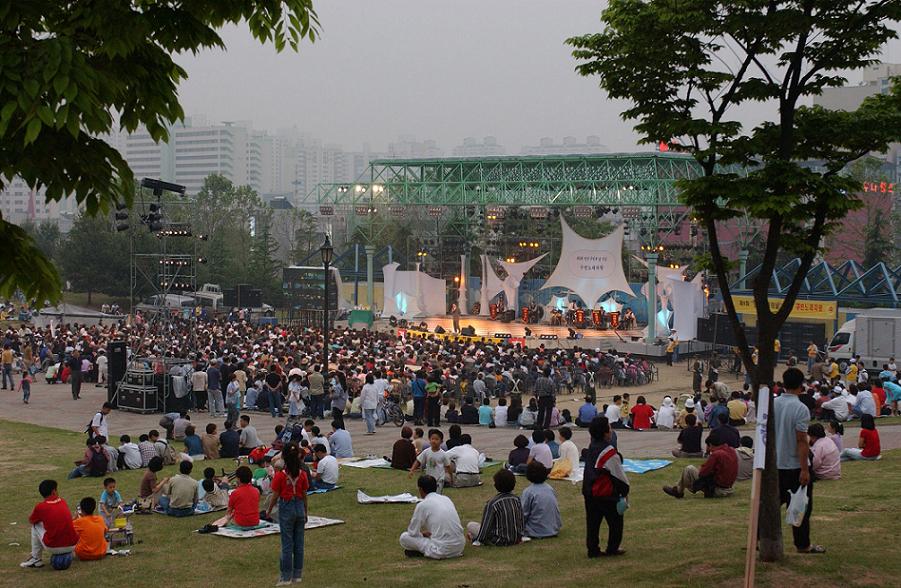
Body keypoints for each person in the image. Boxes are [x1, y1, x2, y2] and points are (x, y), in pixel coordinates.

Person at [774, 367, 825, 553]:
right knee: (801, 507)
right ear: (801, 385)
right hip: (795, 466)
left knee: (771, 505)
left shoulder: (773, 404)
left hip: (776, 465)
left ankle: (759, 537)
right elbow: (801, 440)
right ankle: (802, 544)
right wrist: (805, 469)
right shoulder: (801, 408)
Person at [582, 417, 629, 558]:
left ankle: (593, 549)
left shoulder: (592, 447)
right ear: (605, 432)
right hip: (606, 493)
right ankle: (612, 548)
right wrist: (625, 490)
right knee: (615, 522)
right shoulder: (609, 452)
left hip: (589, 491)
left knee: (592, 523)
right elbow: (619, 476)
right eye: (609, 427)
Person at [266, 442, 309, 586]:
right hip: (299, 507)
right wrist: (305, 511)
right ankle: (297, 575)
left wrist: (269, 509)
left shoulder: (280, 476)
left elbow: (275, 495)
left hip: (287, 507)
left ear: (283, 456)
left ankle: (285, 577)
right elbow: (304, 494)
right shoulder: (302, 474)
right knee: (299, 543)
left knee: (287, 544)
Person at [399, 475, 465, 559]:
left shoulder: (422, 505)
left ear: (421, 489)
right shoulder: (446, 499)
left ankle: (424, 551)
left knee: (404, 537)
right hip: (459, 546)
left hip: (441, 550)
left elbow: (412, 532)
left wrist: (421, 535)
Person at [663, 430, 737, 499]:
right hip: (729, 488)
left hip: (718, 490)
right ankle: (678, 488)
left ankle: (679, 491)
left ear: (710, 445)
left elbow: (703, 473)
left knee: (689, 469)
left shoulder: (716, 454)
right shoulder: (732, 451)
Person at [21, 480, 78, 569]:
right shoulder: (63, 501)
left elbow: (31, 520)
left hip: (54, 546)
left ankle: (36, 558)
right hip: (72, 545)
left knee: (35, 525)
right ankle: (36, 559)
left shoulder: (40, 506)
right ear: (53, 491)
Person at [466, 469, 523, 546]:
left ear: (496, 485)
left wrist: (476, 540)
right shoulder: (517, 499)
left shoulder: (493, 503)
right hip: (516, 538)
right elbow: (521, 520)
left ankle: (473, 536)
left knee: (471, 525)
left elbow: (485, 528)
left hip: (498, 540)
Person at [521, 461, 562, 538]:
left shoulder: (528, 492)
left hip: (536, 531)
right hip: (553, 528)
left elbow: (523, 514)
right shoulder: (550, 489)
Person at [72, 497, 107, 561]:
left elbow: (67, 528)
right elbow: (105, 531)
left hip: (84, 554)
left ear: (82, 510)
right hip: (101, 553)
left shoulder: (79, 521)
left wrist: (74, 518)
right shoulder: (100, 519)